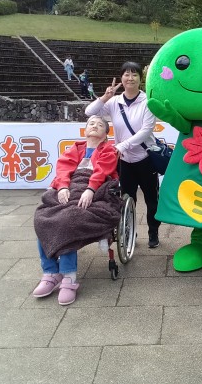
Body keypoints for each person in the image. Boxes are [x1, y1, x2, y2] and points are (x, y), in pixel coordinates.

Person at [32, 115, 119, 305]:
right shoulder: (75, 149)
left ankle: (68, 277)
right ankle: (50, 272)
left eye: (100, 125)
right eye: (91, 124)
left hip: (95, 190)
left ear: (105, 134)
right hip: (70, 188)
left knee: (68, 219)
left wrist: (90, 190)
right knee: (42, 217)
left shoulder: (108, 150)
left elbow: (102, 172)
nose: (94, 126)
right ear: (85, 130)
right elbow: (63, 169)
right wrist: (63, 187)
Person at [85, 61, 161, 248]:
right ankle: (130, 232)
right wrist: (105, 97)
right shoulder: (114, 102)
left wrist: (122, 146)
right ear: (121, 78)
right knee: (127, 199)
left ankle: (153, 232)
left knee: (152, 199)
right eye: (126, 74)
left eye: (134, 74)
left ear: (140, 79)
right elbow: (89, 112)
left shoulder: (148, 102)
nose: (130, 78)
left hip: (145, 158)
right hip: (124, 161)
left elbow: (146, 130)